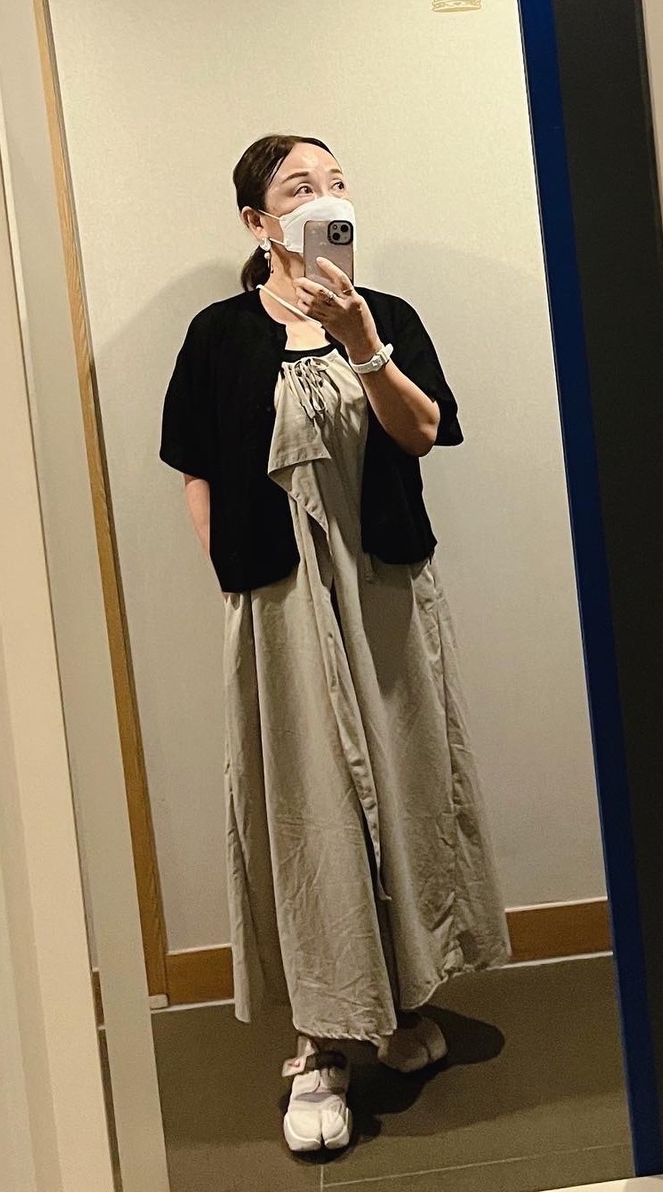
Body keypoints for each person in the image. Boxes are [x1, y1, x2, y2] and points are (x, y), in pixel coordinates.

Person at [160, 134, 509, 1153]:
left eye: (336, 182)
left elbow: (420, 431)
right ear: (257, 222)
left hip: (384, 593)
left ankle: (393, 1006)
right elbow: (195, 467)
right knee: (308, 811)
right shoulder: (218, 334)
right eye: (299, 187)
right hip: (280, 601)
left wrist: (361, 340)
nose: (325, 197)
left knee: (403, 794)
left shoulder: (385, 313)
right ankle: (318, 1041)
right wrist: (237, 576)